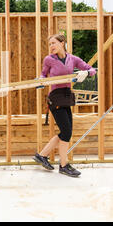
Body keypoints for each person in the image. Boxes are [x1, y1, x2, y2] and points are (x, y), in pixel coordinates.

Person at [33, 34, 96, 177]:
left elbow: (91, 70)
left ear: (62, 43)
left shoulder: (73, 59)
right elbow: (43, 75)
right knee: (66, 132)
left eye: (53, 43)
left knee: (66, 132)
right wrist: (40, 81)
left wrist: (85, 72)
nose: (51, 46)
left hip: (67, 97)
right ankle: (63, 165)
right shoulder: (49, 59)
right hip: (55, 97)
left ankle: (43, 156)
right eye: (49, 44)